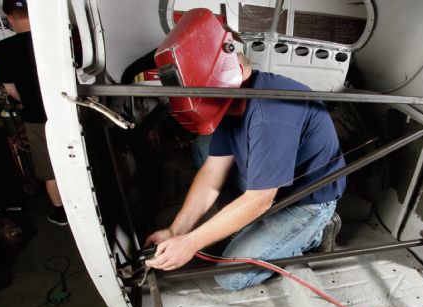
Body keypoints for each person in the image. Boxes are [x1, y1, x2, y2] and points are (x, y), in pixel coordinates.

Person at [145, 9, 344, 291]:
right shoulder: (232, 98)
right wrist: (175, 231)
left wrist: (191, 243)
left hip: (306, 202)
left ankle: (313, 234)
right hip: (272, 186)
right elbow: (213, 170)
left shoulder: (270, 113)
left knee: (230, 276)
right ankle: (244, 223)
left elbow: (261, 198)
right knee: (205, 151)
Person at [0, 0, 67, 226]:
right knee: (79, 158)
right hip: (70, 112)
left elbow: (9, 88)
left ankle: (61, 214)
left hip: (37, 118)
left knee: (49, 169)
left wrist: (30, 101)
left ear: (10, 18)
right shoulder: (58, 38)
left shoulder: (3, 48)